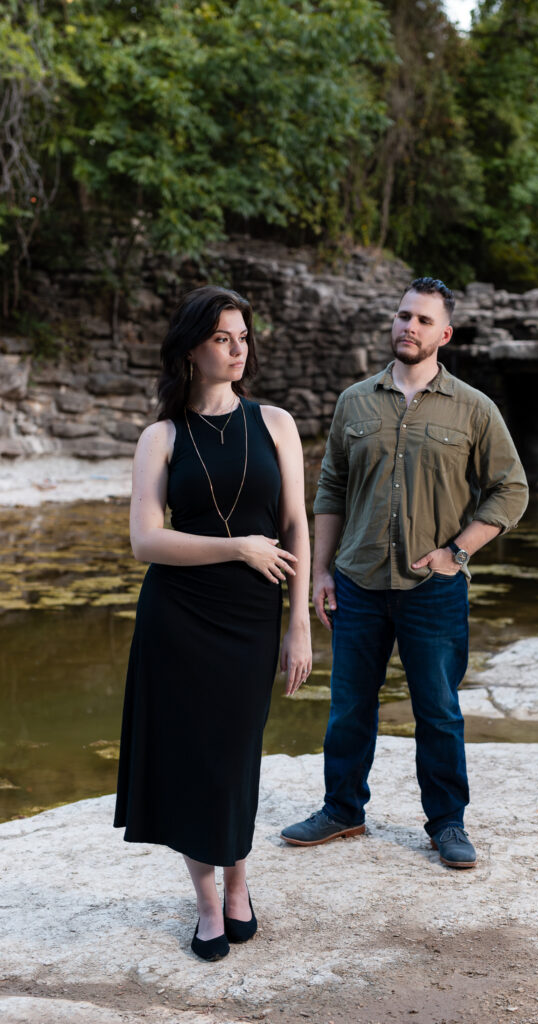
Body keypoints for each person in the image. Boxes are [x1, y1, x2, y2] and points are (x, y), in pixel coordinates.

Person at [280, 277, 528, 868]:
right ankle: (342, 810)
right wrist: (321, 572)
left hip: (433, 589)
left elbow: (510, 489)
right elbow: (332, 488)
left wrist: (457, 552)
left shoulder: (474, 408)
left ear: (444, 334)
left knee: (437, 710)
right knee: (348, 706)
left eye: (421, 320)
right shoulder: (354, 402)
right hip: (358, 581)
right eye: (401, 316)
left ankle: (446, 824)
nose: (407, 327)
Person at [114, 285, 311, 960]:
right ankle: (208, 903)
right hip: (179, 617)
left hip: (253, 618)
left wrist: (300, 627)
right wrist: (237, 548)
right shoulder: (159, 437)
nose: (238, 350)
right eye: (224, 339)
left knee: (234, 755)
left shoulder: (276, 423)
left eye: (244, 338)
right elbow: (146, 541)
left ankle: (239, 881)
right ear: (193, 349)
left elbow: (295, 527)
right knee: (192, 761)